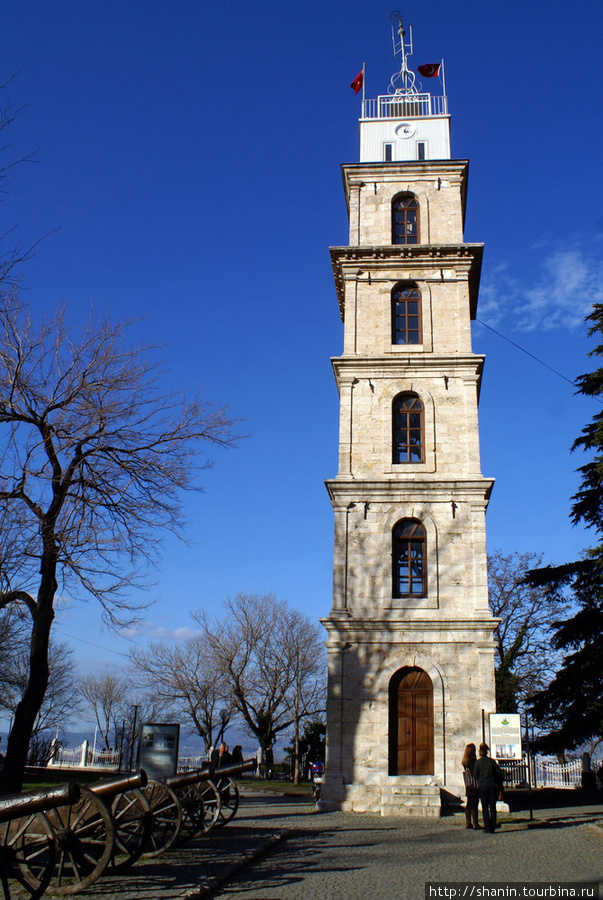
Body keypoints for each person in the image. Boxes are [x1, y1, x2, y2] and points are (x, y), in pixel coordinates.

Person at [473, 742, 504, 833]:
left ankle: (487, 827)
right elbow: (498, 774)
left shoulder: (478, 763)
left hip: (483, 786)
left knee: (485, 807)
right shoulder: (492, 762)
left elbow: (475, 775)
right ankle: (493, 826)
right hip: (492, 786)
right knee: (493, 807)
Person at [461, 743, 480, 829]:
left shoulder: (465, 761)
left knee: (469, 804)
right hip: (474, 784)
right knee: (474, 804)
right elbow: (474, 772)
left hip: (468, 784)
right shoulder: (472, 760)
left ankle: (468, 822)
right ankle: (475, 823)